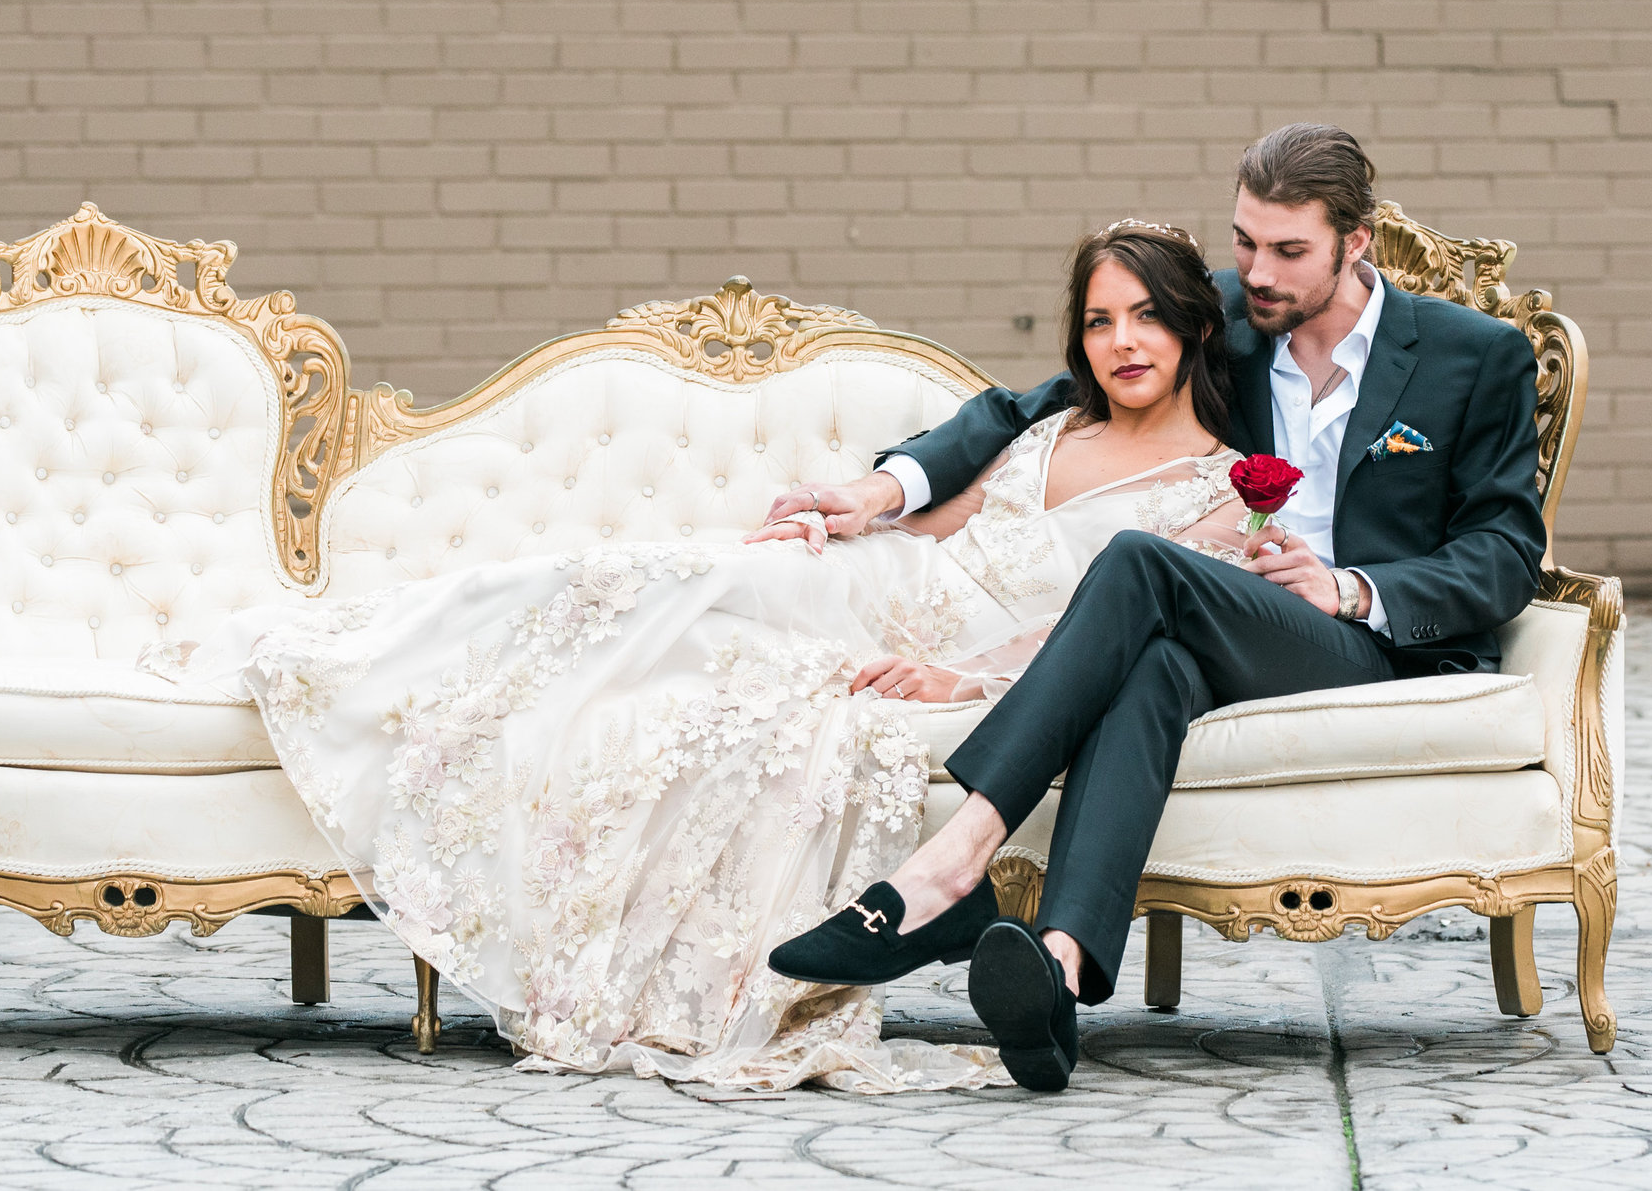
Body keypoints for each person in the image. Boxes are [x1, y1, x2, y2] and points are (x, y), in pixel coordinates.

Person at [141, 223, 1262, 1092]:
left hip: (950, 645)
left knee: (690, 676)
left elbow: (1110, 626)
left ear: (1194, 328)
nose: (1122, 341)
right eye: (1102, 318)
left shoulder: (1222, 492)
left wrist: (974, 680)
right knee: (643, 580)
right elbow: (946, 517)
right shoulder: (1049, 425)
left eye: (1147, 318)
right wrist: (850, 514)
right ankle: (342, 655)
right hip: (879, 586)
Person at [764, 123, 1548, 1092]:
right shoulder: (1226, 314)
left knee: (1141, 561)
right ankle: (1055, 971)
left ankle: (952, 863)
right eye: (1245, 242)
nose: (1256, 273)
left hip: (1368, 638)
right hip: (1230, 617)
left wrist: (1351, 587)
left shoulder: (1475, 356)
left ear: (1357, 243)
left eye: (1287, 251)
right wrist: (885, 490)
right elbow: (1024, 407)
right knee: (1154, 668)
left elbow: (1506, 552)